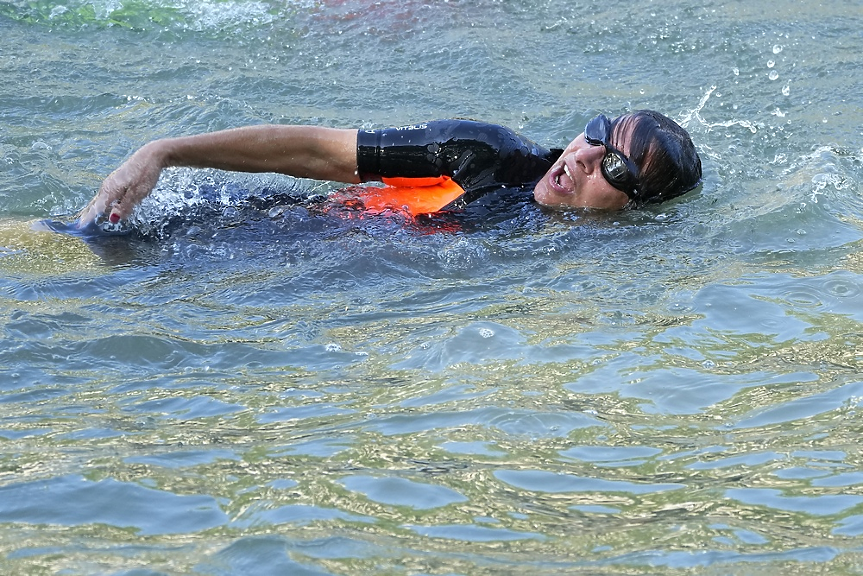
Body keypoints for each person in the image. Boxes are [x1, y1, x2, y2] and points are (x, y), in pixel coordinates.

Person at [75, 111, 702, 229]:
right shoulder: (481, 153)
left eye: (613, 166)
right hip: (244, 231)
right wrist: (163, 151)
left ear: (633, 209)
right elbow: (320, 152)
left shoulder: (591, 265)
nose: (582, 157)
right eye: (595, 134)